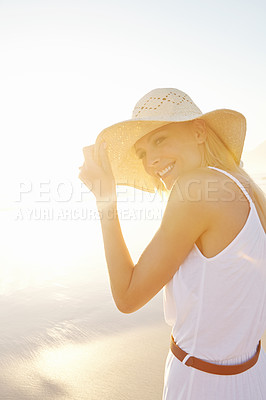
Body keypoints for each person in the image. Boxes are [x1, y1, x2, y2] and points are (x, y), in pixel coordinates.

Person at [78, 88, 266, 399]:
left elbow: (127, 296)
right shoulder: (251, 191)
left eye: (160, 139)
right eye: (142, 153)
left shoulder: (197, 188)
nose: (151, 162)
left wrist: (105, 199)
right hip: (252, 377)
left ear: (198, 131)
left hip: (201, 383)